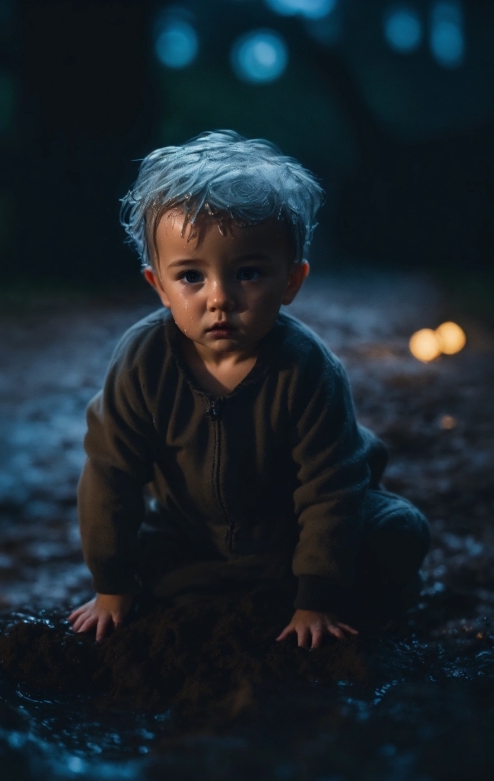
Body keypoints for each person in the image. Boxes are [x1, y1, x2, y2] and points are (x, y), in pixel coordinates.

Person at [68, 131, 430, 648]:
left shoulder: (307, 370)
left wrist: (316, 601)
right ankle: (233, 584)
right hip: (195, 531)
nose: (220, 298)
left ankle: (312, 590)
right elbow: (110, 474)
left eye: (249, 273)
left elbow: (330, 488)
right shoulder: (142, 361)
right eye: (191, 276)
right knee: (150, 563)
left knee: (397, 532)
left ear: (291, 281)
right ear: (159, 286)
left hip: (296, 529)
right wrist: (111, 586)